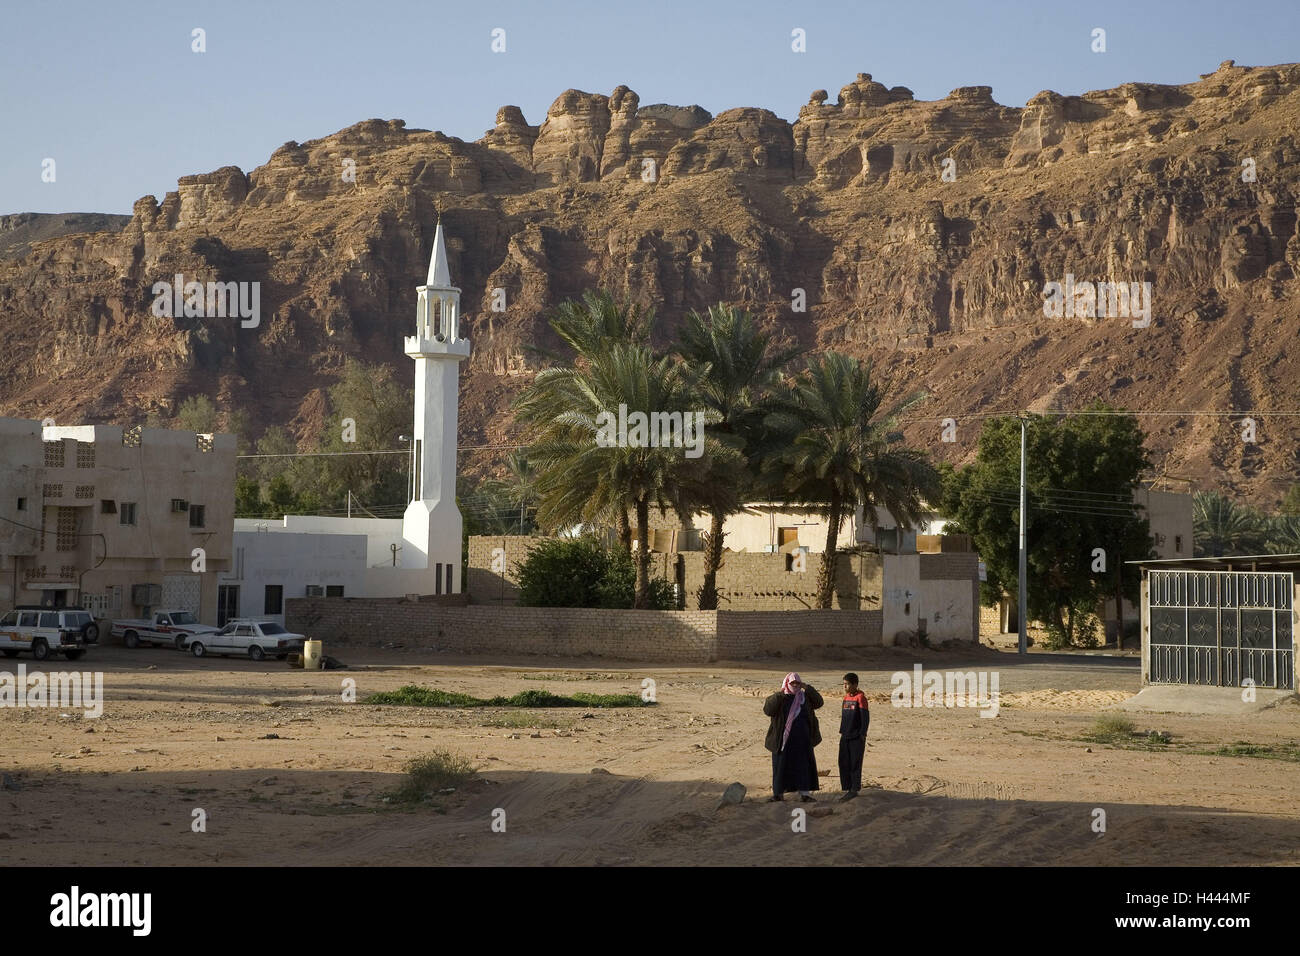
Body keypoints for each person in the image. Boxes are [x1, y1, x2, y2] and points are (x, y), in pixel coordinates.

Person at [763, 672, 823, 802]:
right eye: (792, 683)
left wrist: (807, 687)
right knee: (780, 767)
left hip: (802, 740)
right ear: (786, 683)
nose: (795, 685)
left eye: (797, 683)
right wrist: (780, 694)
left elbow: (819, 702)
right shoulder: (780, 698)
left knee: (803, 766)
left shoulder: (804, 697)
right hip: (783, 740)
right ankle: (778, 794)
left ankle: (804, 794)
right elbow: (768, 710)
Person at [838, 672, 869, 801]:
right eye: (843, 684)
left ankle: (854, 789)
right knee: (843, 762)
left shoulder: (861, 698)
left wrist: (862, 734)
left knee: (855, 763)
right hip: (845, 735)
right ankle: (847, 787)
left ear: (855, 684)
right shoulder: (846, 698)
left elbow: (865, 718)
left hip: (856, 737)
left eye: (847, 684)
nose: (845, 686)